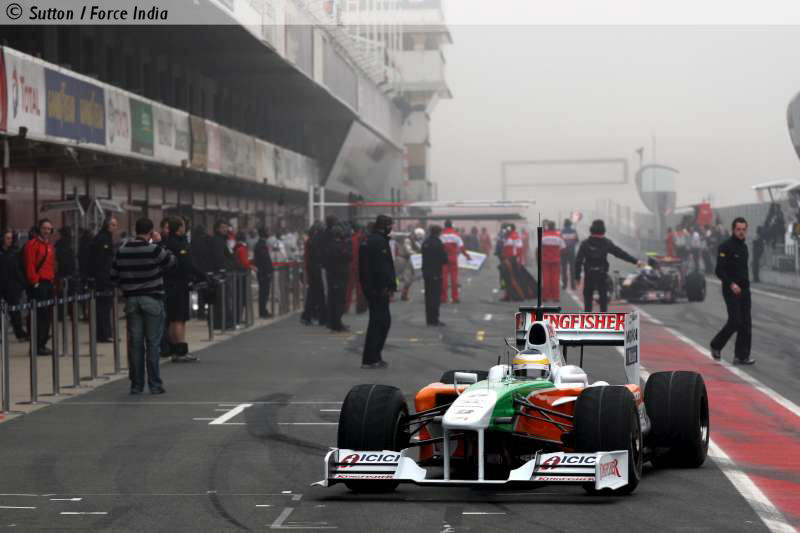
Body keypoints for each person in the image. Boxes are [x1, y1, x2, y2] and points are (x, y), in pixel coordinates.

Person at [111, 218, 175, 394]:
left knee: (135, 344)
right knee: (153, 343)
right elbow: (171, 261)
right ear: (151, 231)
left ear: (135, 230)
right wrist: (160, 243)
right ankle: (155, 384)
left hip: (131, 301)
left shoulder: (122, 250)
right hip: (152, 299)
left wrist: (129, 284)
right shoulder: (154, 249)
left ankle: (136, 385)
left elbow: (113, 276)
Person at [574, 219, 643, 312]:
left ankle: (588, 317)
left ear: (591, 229)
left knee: (588, 299)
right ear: (603, 230)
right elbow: (620, 253)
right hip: (602, 274)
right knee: (603, 299)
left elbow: (578, 261)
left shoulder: (585, 243)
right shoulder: (606, 243)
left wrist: (577, 277)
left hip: (589, 274)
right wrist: (635, 261)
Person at [710, 218, 753, 365]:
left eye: (743, 229)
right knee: (735, 321)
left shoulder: (744, 247)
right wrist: (731, 284)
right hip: (731, 290)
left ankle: (741, 356)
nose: (741, 232)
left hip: (745, 290)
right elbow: (719, 270)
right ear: (733, 230)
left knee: (746, 323)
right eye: (738, 229)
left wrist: (746, 286)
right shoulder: (725, 247)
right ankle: (716, 345)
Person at [164, 217, 206, 362]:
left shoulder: (167, 242)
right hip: (179, 284)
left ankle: (174, 350)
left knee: (172, 319)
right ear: (178, 228)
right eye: (183, 226)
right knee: (179, 319)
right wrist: (202, 276)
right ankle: (181, 351)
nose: (185, 228)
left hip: (169, 284)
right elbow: (188, 264)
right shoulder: (179, 244)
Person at [359, 214, 396, 369]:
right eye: (390, 225)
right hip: (378, 289)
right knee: (380, 322)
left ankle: (374, 356)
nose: (391, 228)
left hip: (371, 287)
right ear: (385, 226)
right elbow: (382, 268)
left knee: (380, 321)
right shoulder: (379, 242)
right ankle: (371, 358)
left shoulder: (368, 240)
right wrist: (387, 286)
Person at [23, 219, 56, 355]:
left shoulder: (49, 245)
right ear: (39, 229)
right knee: (38, 316)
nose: (47, 231)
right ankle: (37, 346)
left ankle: (42, 343)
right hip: (38, 284)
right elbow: (29, 265)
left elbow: (51, 264)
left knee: (46, 316)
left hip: (48, 283)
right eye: (44, 228)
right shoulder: (32, 245)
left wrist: (52, 280)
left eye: (49, 229)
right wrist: (35, 282)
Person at [88, 216, 118, 342]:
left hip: (105, 277)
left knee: (106, 307)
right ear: (107, 225)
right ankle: (104, 334)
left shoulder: (106, 237)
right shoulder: (103, 239)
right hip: (103, 278)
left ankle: (106, 333)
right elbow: (101, 260)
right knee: (103, 307)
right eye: (113, 225)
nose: (115, 227)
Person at [322, 216, 352, 332]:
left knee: (332, 300)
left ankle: (333, 323)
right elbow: (349, 257)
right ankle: (337, 324)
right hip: (339, 276)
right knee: (339, 301)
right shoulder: (339, 247)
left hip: (331, 276)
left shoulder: (329, 246)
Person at [0, 229, 28, 340]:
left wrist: (22, 284)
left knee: (15, 312)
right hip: (2, 286)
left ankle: (19, 333)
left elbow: (19, 270)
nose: (10, 240)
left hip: (12, 287)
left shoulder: (14, 253)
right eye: (7, 238)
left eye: (11, 238)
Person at [422, 225, 448, 326]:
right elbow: (444, 260)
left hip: (426, 273)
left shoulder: (425, 243)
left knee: (428, 297)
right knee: (435, 297)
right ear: (438, 233)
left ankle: (429, 319)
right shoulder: (438, 243)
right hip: (436, 273)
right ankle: (434, 319)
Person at [440, 220, 471, 303]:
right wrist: (467, 256)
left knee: (444, 279)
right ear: (451, 225)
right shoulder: (456, 235)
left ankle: (443, 298)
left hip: (443, 258)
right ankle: (455, 298)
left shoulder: (441, 235)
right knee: (454, 279)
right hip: (453, 258)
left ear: (445, 225)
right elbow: (462, 248)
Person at [233, 230, 255, 324]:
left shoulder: (236, 247)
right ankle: (239, 318)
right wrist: (251, 266)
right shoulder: (242, 249)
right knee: (242, 298)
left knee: (239, 297)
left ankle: (239, 318)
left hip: (238, 274)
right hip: (242, 275)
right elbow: (245, 262)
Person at [540, 221, 565, 302]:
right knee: (555, 279)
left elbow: (539, 248)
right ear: (554, 227)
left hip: (545, 260)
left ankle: (545, 297)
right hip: (556, 260)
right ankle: (556, 297)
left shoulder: (543, 236)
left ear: (548, 227)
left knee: (546, 278)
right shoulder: (558, 236)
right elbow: (563, 247)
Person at [253, 227, 274, 318]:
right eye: (267, 231)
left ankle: (263, 310)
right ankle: (263, 312)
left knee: (264, 292)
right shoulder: (261, 245)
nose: (269, 232)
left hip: (262, 272)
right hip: (264, 272)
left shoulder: (261, 244)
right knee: (264, 293)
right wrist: (269, 270)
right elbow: (265, 260)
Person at [560, 219, 579, 290]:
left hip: (563, 252)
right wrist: (572, 244)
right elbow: (577, 240)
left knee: (564, 269)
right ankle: (573, 285)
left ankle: (564, 284)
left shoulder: (561, 232)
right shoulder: (574, 231)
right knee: (572, 269)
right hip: (572, 252)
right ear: (570, 224)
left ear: (564, 224)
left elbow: (559, 241)